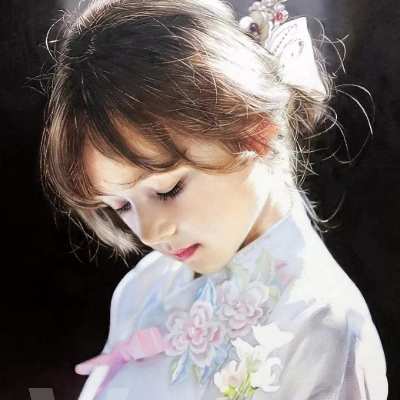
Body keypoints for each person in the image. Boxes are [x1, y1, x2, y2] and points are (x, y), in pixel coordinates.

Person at [40, 0, 388, 399]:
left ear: (254, 131)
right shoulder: (142, 290)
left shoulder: (324, 328)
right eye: (121, 205)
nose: (150, 232)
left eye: (167, 190)